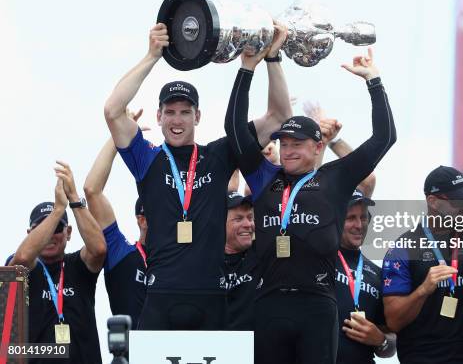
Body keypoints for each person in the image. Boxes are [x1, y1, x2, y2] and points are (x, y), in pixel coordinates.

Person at [103, 22, 292, 330]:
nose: (177, 120)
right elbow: (112, 110)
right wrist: (152, 55)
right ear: (159, 116)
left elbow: (279, 118)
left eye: (185, 112)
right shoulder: (147, 157)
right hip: (161, 293)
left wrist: (272, 59)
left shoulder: (218, 154)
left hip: (212, 296)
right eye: (171, 111)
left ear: (198, 117)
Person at [225, 47, 396, 364]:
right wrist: (248, 68)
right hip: (269, 303)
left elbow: (384, 137)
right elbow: (234, 130)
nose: (287, 151)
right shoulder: (265, 177)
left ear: (318, 146)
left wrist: (373, 80)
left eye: (297, 144)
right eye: (283, 144)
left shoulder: (336, 178)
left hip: (317, 307)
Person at [382, 166, 463, 364]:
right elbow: (394, 321)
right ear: (432, 201)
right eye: (457, 201)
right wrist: (423, 290)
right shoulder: (403, 248)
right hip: (421, 358)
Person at [7, 163, 106, 364]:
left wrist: (74, 199)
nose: (51, 235)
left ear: (68, 233)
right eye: (42, 228)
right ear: (30, 234)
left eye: (57, 229)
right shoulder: (21, 264)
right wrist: (57, 211)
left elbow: (99, 249)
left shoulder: (78, 265)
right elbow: (23, 259)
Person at [83, 109, 148, 328]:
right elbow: (92, 190)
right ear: (141, 220)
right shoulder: (122, 253)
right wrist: (117, 136)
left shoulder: (180, 256)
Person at [336, 189, 396, 364]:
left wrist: (381, 340)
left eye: (363, 218)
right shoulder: (317, 260)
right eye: (350, 218)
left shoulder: (377, 274)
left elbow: (391, 342)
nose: (359, 225)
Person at [221, 191, 257, 331]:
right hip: (214, 347)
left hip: (254, 347)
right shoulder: (205, 259)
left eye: (250, 217)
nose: (248, 224)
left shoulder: (261, 254)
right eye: (238, 219)